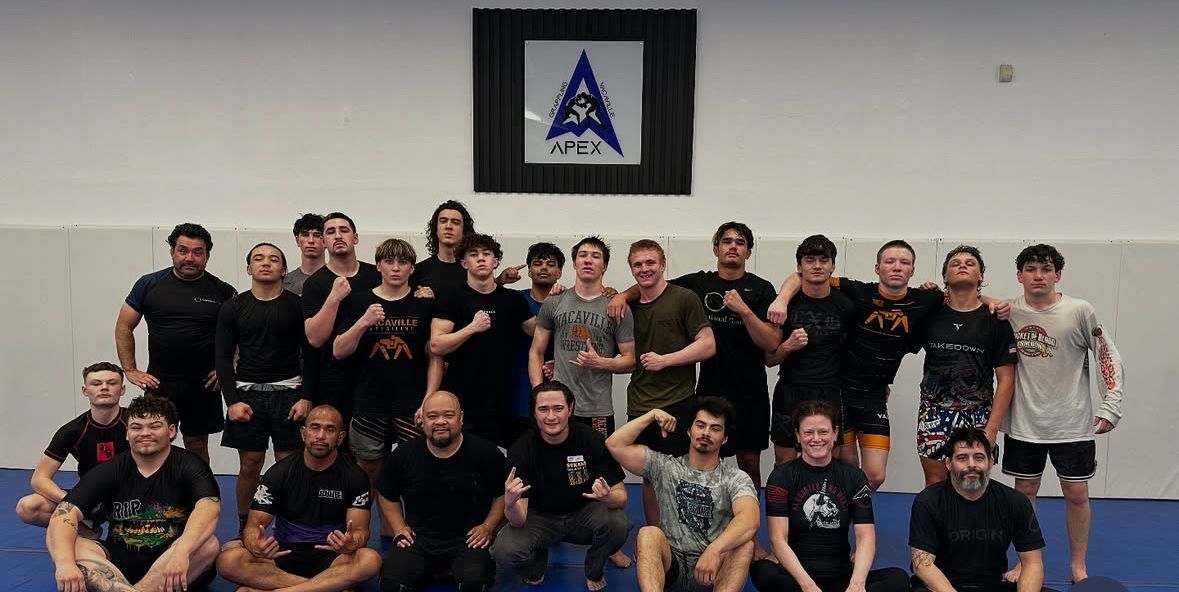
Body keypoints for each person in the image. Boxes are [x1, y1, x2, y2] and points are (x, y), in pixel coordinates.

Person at [769, 240, 1010, 489]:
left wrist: (993, 302)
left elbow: (964, 297)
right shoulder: (859, 291)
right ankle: (836, 517)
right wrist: (782, 299)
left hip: (874, 396)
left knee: (874, 475)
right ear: (877, 268)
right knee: (846, 465)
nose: (896, 267)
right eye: (889, 262)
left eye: (904, 262)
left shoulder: (926, 300)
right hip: (842, 391)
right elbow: (806, 276)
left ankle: (849, 509)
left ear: (912, 270)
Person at [1001, 244, 1125, 584]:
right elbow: (970, 304)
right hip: (1025, 422)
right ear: (1019, 275)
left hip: (1072, 422)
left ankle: (1078, 565)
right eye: (1031, 269)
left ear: (1057, 275)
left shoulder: (1079, 310)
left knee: (1077, 494)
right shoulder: (1008, 311)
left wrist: (1111, 403)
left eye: (1046, 269)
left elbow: (1106, 354)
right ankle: (1025, 562)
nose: (1038, 276)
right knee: (1023, 493)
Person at [47, 396, 221, 592]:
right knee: (74, 546)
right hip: (119, 565)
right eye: (136, 427)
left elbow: (209, 508)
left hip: (173, 562)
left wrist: (181, 553)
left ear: (171, 431)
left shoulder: (190, 465)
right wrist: (64, 564)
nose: (145, 433)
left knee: (208, 544)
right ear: (127, 433)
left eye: (154, 426)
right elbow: (64, 514)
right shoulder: (112, 468)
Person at [215, 405, 382, 592]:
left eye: (330, 429)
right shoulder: (279, 473)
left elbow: (360, 531)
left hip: (333, 556)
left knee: (370, 559)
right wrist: (256, 545)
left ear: (341, 437)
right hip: (284, 553)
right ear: (303, 433)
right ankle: (325, 587)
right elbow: (253, 527)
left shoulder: (355, 477)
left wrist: (352, 542)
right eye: (315, 427)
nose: (321, 436)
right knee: (227, 561)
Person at [750, 400, 908, 592]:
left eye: (823, 432)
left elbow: (865, 537)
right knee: (763, 571)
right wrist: (807, 586)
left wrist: (857, 584)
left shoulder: (854, 477)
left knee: (898, 578)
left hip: (841, 577)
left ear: (835, 433)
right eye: (808, 432)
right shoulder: (781, 477)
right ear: (798, 436)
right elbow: (777, 539)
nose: (816, 439)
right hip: (797, 580)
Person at [491, 381, 632, 591]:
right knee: (504, 550)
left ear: (570, 409)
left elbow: (622, 496)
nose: (551, 417)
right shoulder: (521, 450)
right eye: (543, 409)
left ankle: (594, 567)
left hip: (583, 514)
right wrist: (510, 504)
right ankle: (536, 561)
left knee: (619, 524)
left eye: (558, 408)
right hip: (539, 518)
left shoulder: (591, 440)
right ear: (534, 412)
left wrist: (607, 498)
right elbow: (518, 521)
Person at [607, 397, 758, 592]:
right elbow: (615, 444)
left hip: (712, 570)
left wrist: (715, 549)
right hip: (672, 566)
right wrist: (651, 414)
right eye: (700, 425)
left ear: (725, 438)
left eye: (715, 428)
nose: (706, 433)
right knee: (648, 534)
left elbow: (750, 520)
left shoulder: (735, 478)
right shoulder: (665, 467)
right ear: (689, 431)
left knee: (744, 545)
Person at [115, 222, 236, 463]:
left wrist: (230, 365)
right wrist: (130, 369)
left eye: (197, 252)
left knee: (197, 443)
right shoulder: (148, 285)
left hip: (203, 384)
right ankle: (154, 491)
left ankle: (200, 495)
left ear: (207, 255)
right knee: (151, 438)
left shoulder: (222, 291)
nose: (189, 258)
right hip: (161, 380)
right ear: (172, 252)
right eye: (183, 250)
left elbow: (243, 332)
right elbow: (124, 326)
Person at [621, 239, 716, 527]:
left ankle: (685, 537)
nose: (645, 268)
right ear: (631, 269)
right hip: (640, 402)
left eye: (650, 262)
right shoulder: (627, 305)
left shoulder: (684, 298)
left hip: (677, 401)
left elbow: (708, 345)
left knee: (682, 474)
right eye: (638, 264)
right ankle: (655, 537)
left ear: (663, 265)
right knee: (650, 476)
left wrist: (666, 360)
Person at [216, 242, 309, 533]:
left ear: (283, 269)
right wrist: (231, 401)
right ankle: (246, 526)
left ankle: (289, 526)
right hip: (247, 396)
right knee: (250, 465)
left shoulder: (298, 306)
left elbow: (313, 355)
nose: (266, 263)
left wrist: (307, 397)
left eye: (273, 259)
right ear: (249, 268)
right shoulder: (233, 307)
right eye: (258, 258)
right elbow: (221, 356)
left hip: (289, 394)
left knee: (289, 465)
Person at [334, 239, 441, 485]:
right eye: (389, 262)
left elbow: (435, 355)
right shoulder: (359, 302)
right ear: (378, 266)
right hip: (370, 403)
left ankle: (405, 526)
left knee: (414, 472)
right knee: (369, 473)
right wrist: (363, 322)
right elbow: (339, 350)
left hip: (411, 404)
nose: (395, 268)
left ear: (412, 268)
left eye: (402, 262)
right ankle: (369, 526)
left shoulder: (424, 304)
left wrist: (429, 399)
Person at [376, 391, 506, 591]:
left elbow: (503, 493)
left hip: (468, 541)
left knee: (474, 584)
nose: (440, 422)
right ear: (422, 420)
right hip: (419, 540)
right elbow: (386, 492)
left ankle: (448, 570)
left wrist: (488, 527)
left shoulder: (487, 453)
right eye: (433, 416)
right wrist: (399, 528)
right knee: (391, 584)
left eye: (448, 415)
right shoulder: (404, 454)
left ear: (461, 418)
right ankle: (433, 569)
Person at [916, 245, 1017, 485]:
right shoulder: (928, 313)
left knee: (973, 481)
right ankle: (937, 524)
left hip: (978, 412)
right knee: (936, 482)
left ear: (980, 276)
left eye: (970, 263)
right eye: (955, 263)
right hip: (934, 411)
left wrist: (992, 428)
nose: (962, 265)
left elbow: (1006, 379)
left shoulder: (996, 319)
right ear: (944, 277)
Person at [909, 427, 1054, 592]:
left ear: (991, 461)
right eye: (962, 458)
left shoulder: (1015, 501)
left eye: (979, 458)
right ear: (949, 463)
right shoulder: (928, 501)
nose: (971, 465)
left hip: (993, 586)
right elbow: (922, 565)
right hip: (944, 586)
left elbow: (1032, 563)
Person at [429, 233, 537, 447]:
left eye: (487, 254)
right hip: (462, 398)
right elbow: (436, 344)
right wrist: (471, 328)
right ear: (463, 262)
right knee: (464, 458)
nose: (481, 259)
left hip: (503, 399)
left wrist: (556, 298)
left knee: (499, 463)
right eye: (473, 254)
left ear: (496, 261)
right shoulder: (452, 298)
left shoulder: (512, 300)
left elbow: (539, 332)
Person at [530, 236, 636, 437]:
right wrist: (539, 393)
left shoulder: (618, 308)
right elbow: (536, 352)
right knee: (554, 464)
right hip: (558, 407)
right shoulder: (554, 302)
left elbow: (630, 361)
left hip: (597, 410)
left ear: (604, 266)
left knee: (597, 467)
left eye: (596, 256)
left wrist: (600, 363)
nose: (588, 260)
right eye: (583, 255)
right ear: (574, 263)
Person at [765, 235, 855, 466]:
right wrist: (788, 346)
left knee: (825, 462)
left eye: (823, 260)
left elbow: (853, 352)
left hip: (829, 392)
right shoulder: (785, 305)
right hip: (791, 391)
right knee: (784, 463)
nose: (817, 266)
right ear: (799, 266)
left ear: (832, 266)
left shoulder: (846, 305)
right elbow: (769, 359)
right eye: (809, 260)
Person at [16, 362, 129, 535]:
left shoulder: (138, 425)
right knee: (28, 507)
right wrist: (76, 502)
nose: (104, 388)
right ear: (85, 391)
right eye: (96, 384)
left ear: (122, 389)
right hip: (92, 499)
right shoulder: (72, 431)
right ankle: (88, 532)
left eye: (111, 383)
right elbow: (39, 479)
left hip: (132, 497)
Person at [301, 212, 382, 423]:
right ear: (323, 241)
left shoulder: (376, 275)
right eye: (330, 232)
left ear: (355, 237)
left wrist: (420, 292)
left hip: (375, 375)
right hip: (334, 380)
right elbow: (315, 339)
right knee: (339, 445)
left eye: (343, 230)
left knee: (372, 451)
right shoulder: (315, 284)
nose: (338, 236)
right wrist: (333, 298)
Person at [508, 242, 564, 443]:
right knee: (523, 454)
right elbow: (482, 296)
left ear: (559, 272)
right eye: (537, 263)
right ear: (529, 270)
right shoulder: (514, 299)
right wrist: (499, 281)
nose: (543, 268)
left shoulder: (569, 302)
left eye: (550, 264)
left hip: (561, 392)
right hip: (520, 393)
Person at [282, 213, 326, 296]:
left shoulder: (338, 279)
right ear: (297, 240)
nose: (311, 240)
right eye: (305, 235)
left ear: (326, 241)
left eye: (317, 235)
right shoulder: (285, 282)